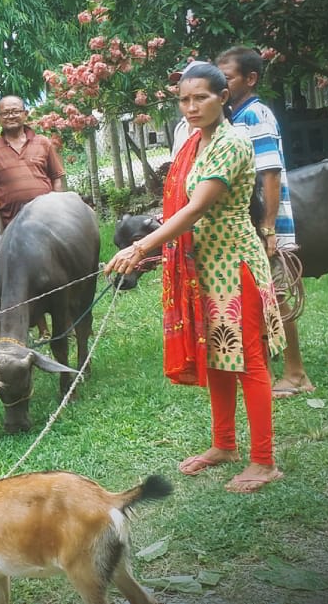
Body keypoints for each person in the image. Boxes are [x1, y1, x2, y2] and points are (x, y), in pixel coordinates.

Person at [106, 62, 286, 494]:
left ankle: (264, 461)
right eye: (184, 99)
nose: (191, 107)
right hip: (202, 266)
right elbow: (181, 213)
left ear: (223, 98)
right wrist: (158, 251)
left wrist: (141, 246)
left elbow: (196, 208)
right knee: (217, 357)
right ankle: (224, 445)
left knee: (249, 362)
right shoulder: (196, 142)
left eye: (200, 97)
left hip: (235, 265)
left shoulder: (232, 142)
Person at [216, 46, 314, 398]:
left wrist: (268, 228)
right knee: (255, 299)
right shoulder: (233, 116)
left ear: (251, 78)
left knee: (276, 296)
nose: (219, 84)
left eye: (226, 78)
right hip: (243, 226)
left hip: (262, 227)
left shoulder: (255, 115)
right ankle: (268, 371)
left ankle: (296, 372)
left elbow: (269, 176)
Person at [0, 95, 66, 226]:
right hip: (12, 224)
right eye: (5, 113)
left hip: (46, 218)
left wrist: (58, 208)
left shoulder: (43, 143)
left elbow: (56, 179)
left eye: (15, 111)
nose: (11, 116)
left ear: (25, 114)